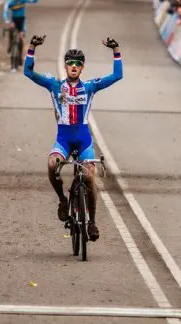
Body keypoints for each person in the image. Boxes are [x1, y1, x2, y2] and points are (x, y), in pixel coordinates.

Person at [23, 35, 123, 241]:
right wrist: (32, 47)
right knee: (52, 165)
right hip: (64, 140)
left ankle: (92, 222)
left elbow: (117, 75)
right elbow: (28, 72)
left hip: (84, 141)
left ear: (83, 68)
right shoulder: (54, 85)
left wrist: (116, 51)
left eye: (78, 64)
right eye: (70, 64)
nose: (74, 67)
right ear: (65, 67)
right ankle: (62, 200)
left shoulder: (89, 86)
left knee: (88, 178)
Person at [3, 0, 39, 72]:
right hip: (14, 23)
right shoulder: (10, 3)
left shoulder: (23, 0)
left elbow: (34, 0)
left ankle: (19, 59)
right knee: (13, 42)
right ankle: (12, 64)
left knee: (21, 41)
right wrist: (8, 21)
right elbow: (5, 12)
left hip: (22, 23)